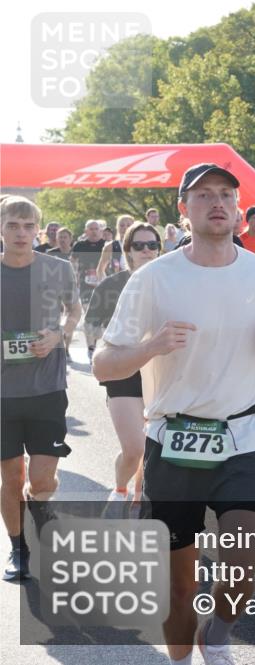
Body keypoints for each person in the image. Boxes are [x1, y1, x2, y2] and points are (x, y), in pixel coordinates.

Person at [93, 163, 255, 665]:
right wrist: (151, 346)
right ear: (184, 209)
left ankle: (219, 635)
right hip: (174, 439)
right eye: (203, 195)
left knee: (242, 567)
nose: (217, 203)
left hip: (243, 434)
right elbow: (102, 364)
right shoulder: (153, 279)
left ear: (238, 208)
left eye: (226, 193)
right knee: (178, 587)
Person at [1, 196, 82, 581]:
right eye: (13, 225)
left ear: (38, 228)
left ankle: (42, 505)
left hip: (47, 388)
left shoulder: (58, 268)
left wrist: (58, 337)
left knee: (42, 479)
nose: (21, 233)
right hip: (2, 394)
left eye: (28, 225)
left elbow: (74, 312)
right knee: (12, 478)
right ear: (1, 227)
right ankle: (18, 548)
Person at [86, 223, 161, 512]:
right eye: (138, 245)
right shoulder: (113, 285)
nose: (146, 250)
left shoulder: (170, 282)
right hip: (123, 372)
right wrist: (110, 346)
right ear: (127, 250)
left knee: (153, 450)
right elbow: (91, 325)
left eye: (152, 245)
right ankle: (119, 490)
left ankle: (139, 499)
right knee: (135, 448)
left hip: (160, 372)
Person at [71, 219, 107, 361]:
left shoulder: (107, 245)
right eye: (90, 229)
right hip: (85, 285)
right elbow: (72, 262)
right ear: (86, 231)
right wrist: (74, 277)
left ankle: (95, 344)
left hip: (104, 285)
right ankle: (91, 348)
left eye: (96, 228)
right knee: (89, 315)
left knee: (99, 319)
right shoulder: (80, 245)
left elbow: (116, 263)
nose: (93, 231)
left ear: (101, 231)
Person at [97, 214, 134, 278]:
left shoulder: (141, 245)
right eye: (122, 225)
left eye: (128, 225)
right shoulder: (110, 246)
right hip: (118, 284)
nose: (125, 228)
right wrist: (106, 284)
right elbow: (100, 270)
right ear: (117, 227)